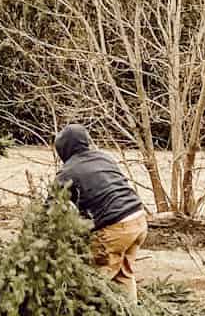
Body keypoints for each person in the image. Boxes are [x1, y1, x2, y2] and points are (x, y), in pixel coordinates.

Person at [53, 123, 148, 303]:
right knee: (123, 274)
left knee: (93, 278)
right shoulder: (105, 158)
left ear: (63, 149)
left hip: (115, 228)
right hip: (139, 219)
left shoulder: (68, 171)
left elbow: (51, 207)